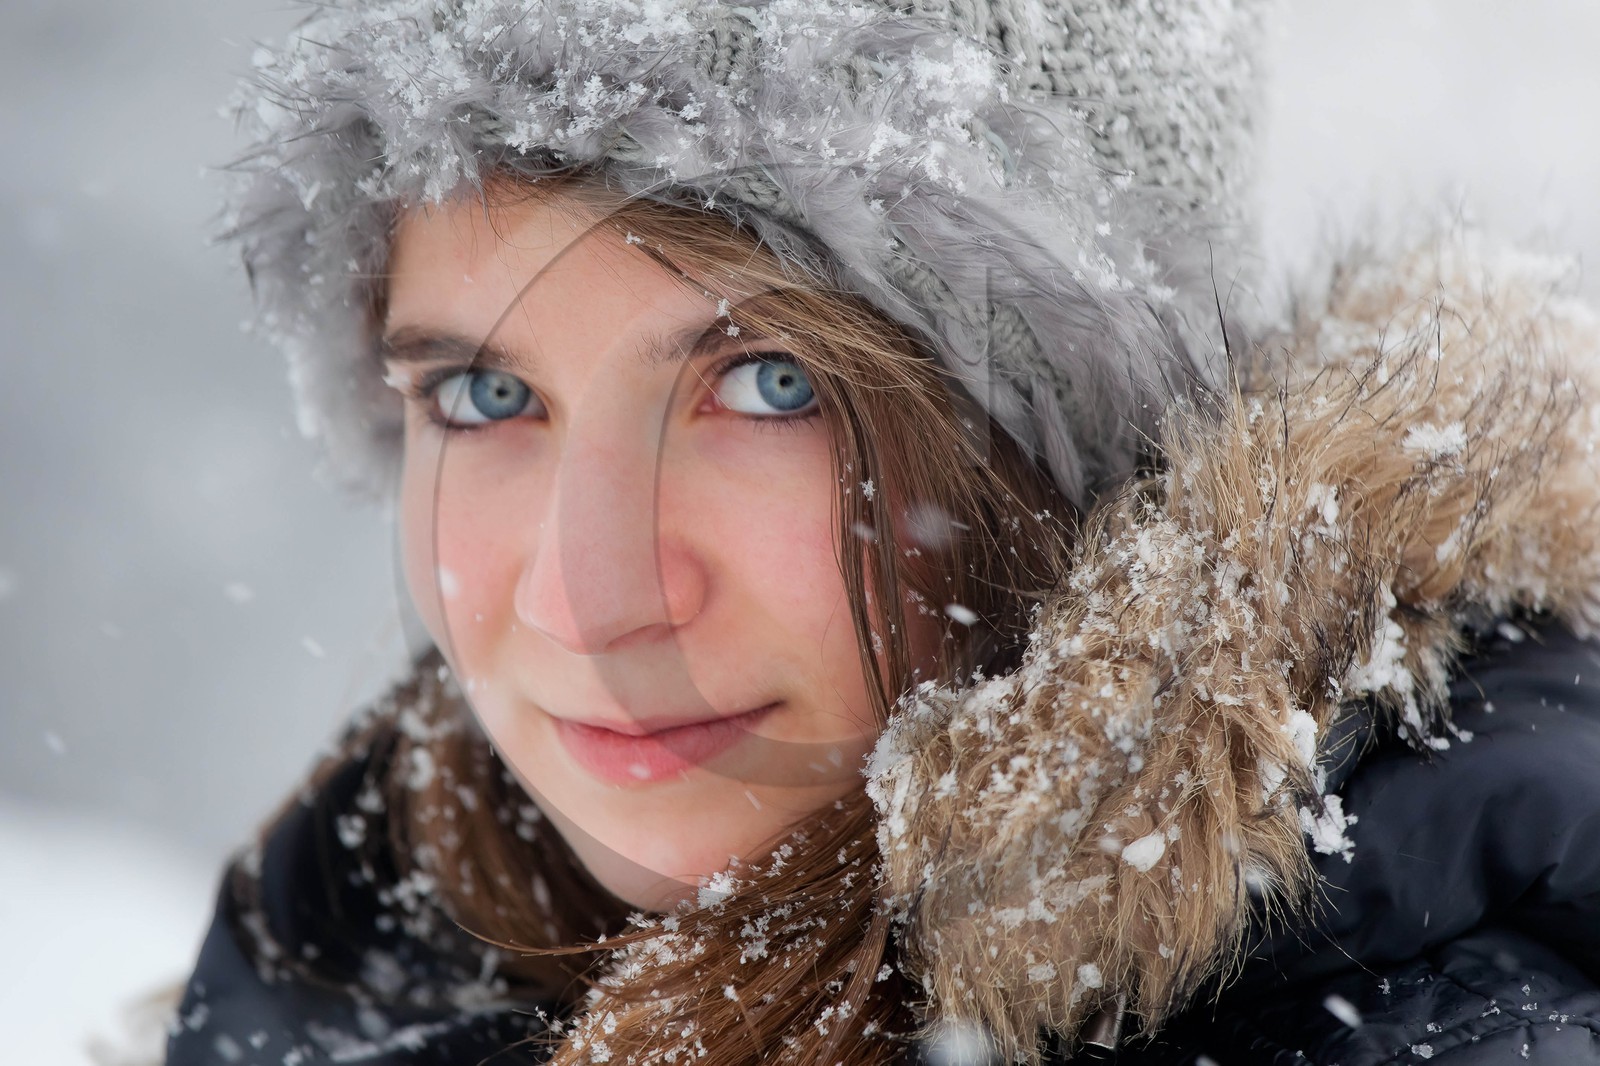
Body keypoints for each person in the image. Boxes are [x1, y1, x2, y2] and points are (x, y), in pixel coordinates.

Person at [166, 0, 1600, 1063]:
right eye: (484, 395)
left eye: (772, 383)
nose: (584, 599)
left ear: (1092, 453)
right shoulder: (346, 947)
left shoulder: (1418, 1021)